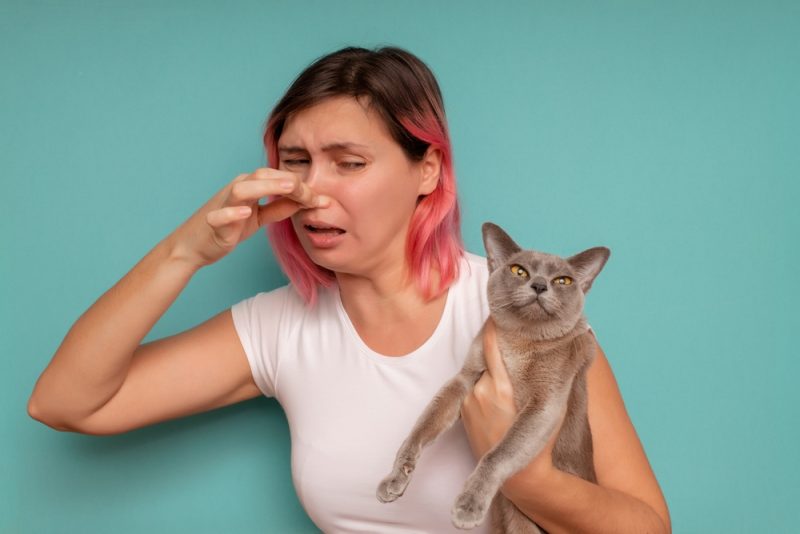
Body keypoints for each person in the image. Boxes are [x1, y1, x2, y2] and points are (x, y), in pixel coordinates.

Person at [28, 46, 671, 533]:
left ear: (428, 169)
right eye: (296, 160)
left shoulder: (521, 312)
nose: (312, 190)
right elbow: (66, 403)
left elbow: (648, 525)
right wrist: (184, 252)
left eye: (349, 162)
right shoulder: (279, 328)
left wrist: (527, 480)